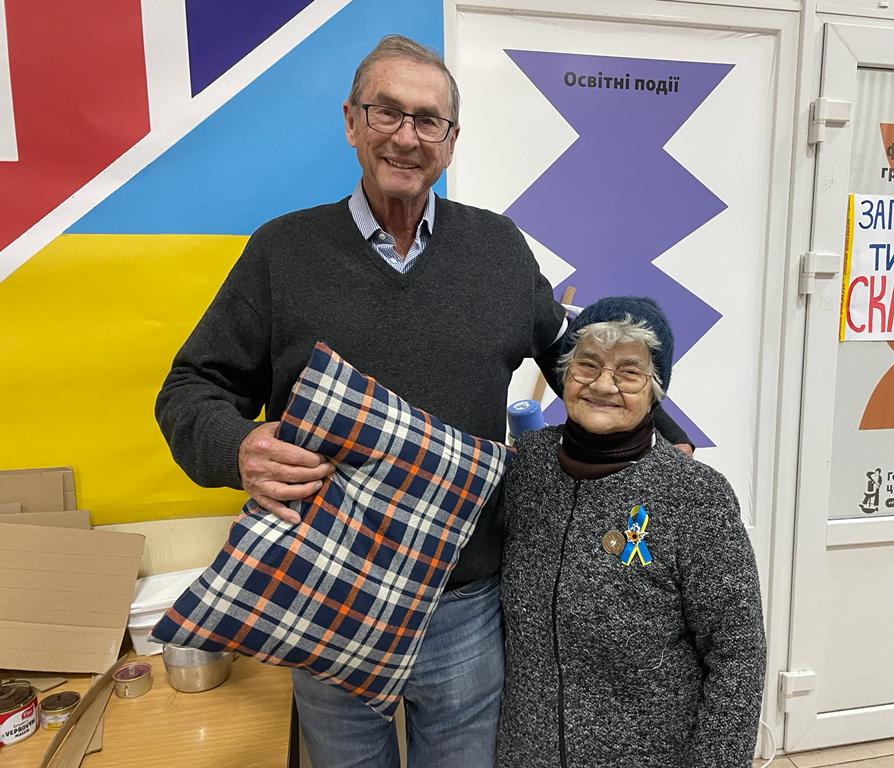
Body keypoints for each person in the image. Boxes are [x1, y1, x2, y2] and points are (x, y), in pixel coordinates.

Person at [155, 35, 693, 768]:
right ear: (352, 121)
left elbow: (578, 355)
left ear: (450, 140)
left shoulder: (497, 250)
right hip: (326, 594)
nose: (406, 136)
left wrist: (666, 431)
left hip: (464, 603)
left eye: (427, 120)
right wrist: (236, 447)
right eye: (387, 113)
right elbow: (191, 386)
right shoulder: (283, 253)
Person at [499, 296, 766, 768]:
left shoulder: (694, 495)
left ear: (655, 389)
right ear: (565, 374)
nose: (603, 384)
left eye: (629, 372)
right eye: (587, 364)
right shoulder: (526, 469)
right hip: (527, 751)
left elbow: (737, 654)